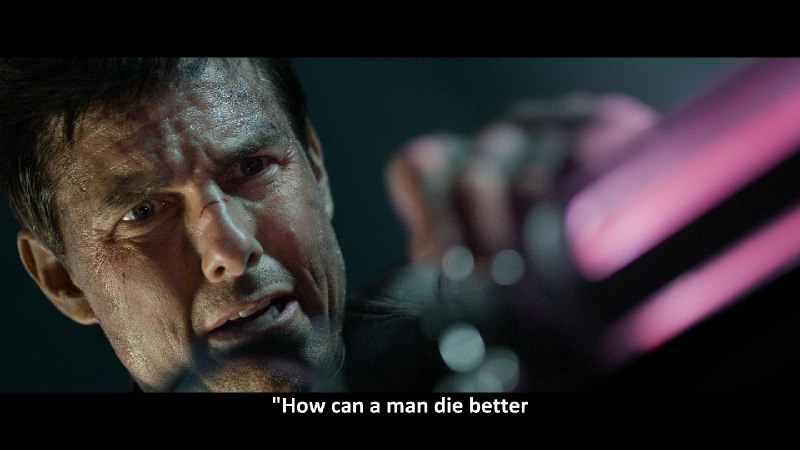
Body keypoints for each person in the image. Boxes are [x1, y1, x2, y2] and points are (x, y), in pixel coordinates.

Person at [0, 58, 658, 392]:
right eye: (143, 212)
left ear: (315, 168)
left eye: (253, 167)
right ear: (63, 281)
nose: (229, 246)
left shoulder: (511, 330)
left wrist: (644, 218)